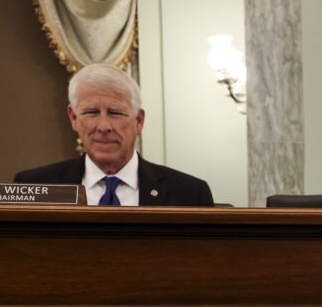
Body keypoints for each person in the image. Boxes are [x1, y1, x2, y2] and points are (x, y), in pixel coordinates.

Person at [14, 63, 214, 207]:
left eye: (115, 113)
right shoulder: (34, 187)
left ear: (139, 121)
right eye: (91, 113)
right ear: (74, 118)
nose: (103, 126)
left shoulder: (189, 194)